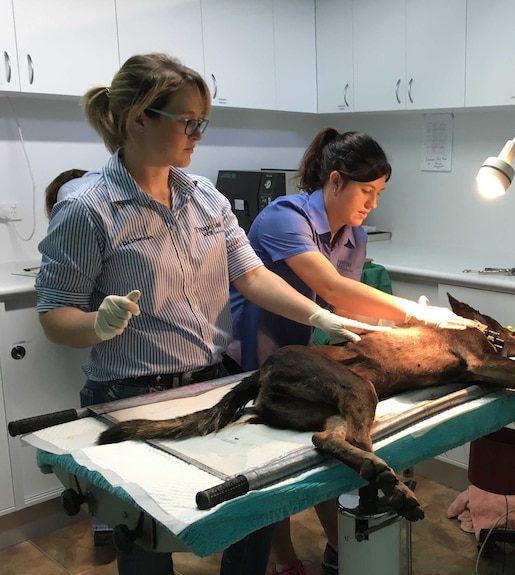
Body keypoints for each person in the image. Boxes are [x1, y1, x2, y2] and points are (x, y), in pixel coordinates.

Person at [35, 53, 387, 575]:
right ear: (139, 119)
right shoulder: (88, 207)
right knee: (149, 540)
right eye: (189, 121)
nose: (198, 133)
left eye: (204, 121)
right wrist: (95, 323)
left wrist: (322, 318)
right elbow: (53, 315)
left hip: (212, 385)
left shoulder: (205, 198)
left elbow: (252, 277)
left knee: (254, 512)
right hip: (131, 398)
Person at [229, 127, 477, 575]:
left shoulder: (355, 235)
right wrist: (417, 313)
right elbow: (330, 285)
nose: (373, 203)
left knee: (327, 457)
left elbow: (343, 304)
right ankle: (284, 560)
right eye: (367, 191)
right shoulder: (285, 217)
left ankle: (338, 546)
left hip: (305, 361)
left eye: (380, 193)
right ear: (336, 180)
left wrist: (401, 321)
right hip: (255, 360)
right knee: (268, 480)